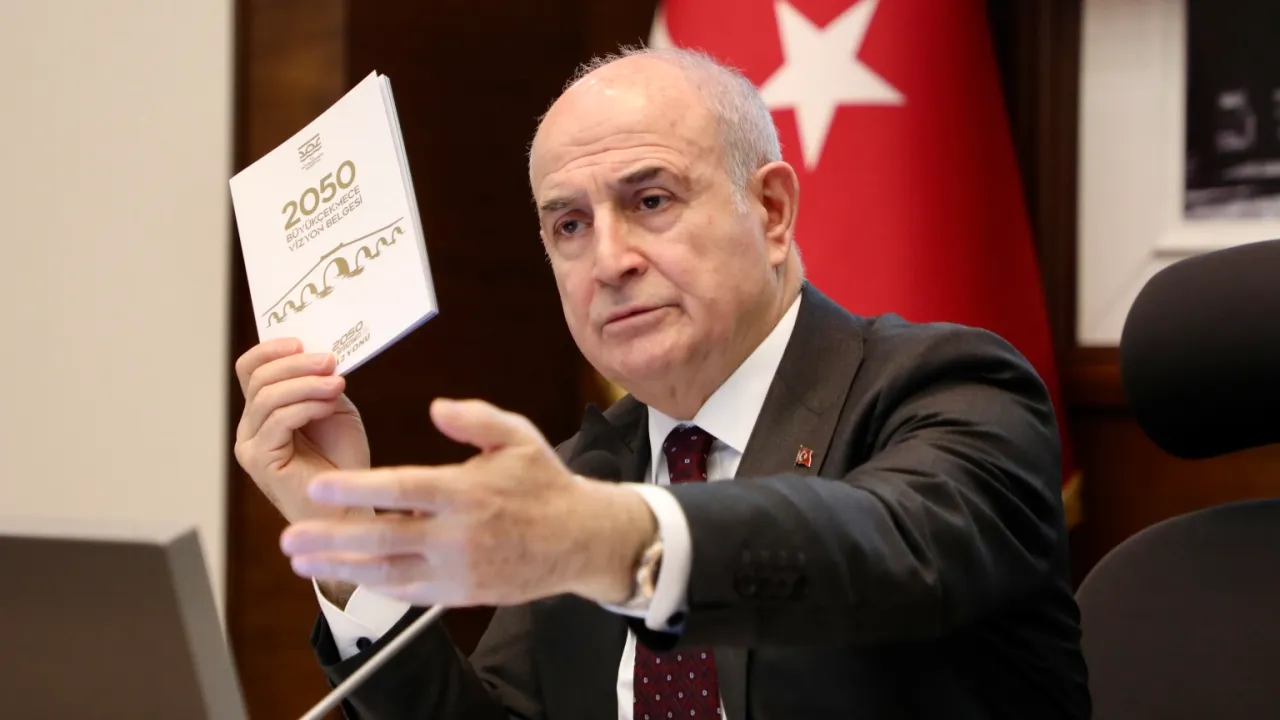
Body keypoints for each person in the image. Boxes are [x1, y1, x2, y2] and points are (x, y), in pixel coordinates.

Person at [234, 47, 1090, 719]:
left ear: (772, 212)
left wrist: (617, 540)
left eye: (650, 201)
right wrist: (350, 544)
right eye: (570, 225)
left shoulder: (948, 390)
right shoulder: (586, 474)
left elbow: (885, 551)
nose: (609, 261)